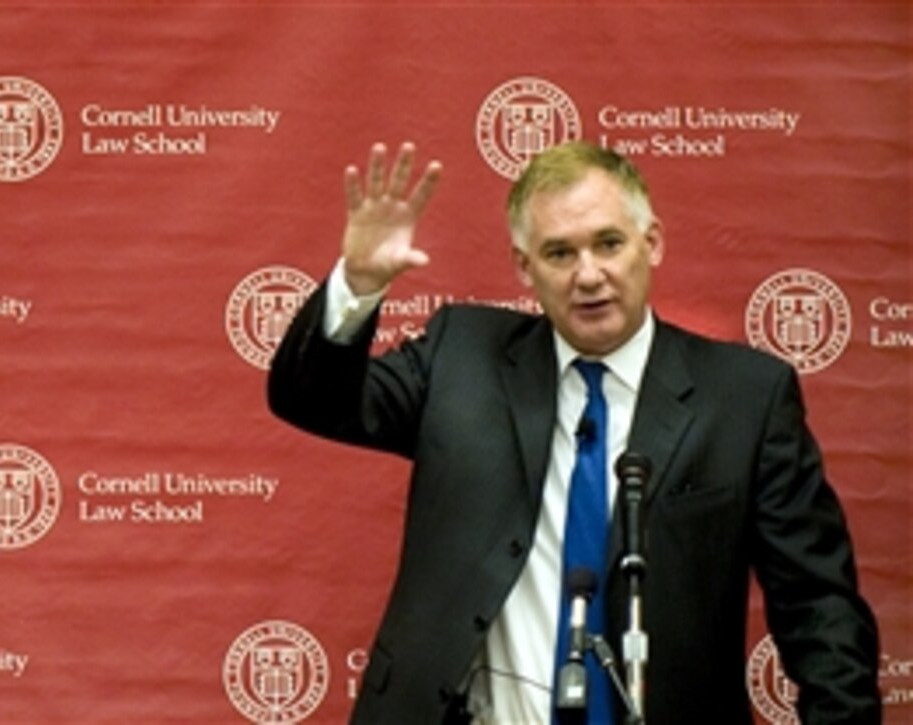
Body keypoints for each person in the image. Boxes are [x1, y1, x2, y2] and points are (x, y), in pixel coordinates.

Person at [267, 141, 881, 724]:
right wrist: (361, 284)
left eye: (608, 244)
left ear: (653, 242)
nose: (588, 275)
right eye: (560, 253)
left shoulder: (745, 397)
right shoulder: (462, 357)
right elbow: (312, 400)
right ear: (523, 267)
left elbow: (819, 609)